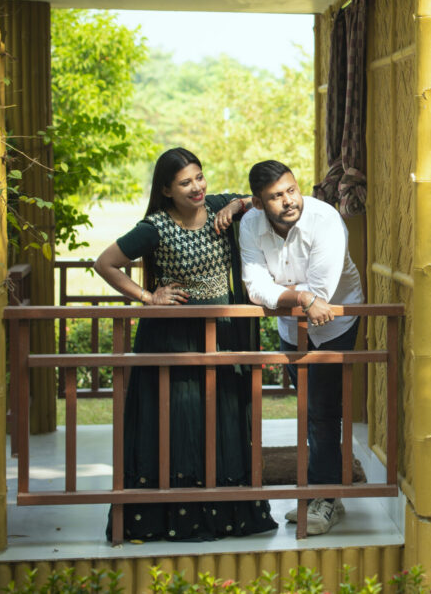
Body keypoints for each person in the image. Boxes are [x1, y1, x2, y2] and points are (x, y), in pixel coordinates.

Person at [93, 147, 277, 542]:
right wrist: (147, 297)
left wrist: (242, 202)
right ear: (165, 190)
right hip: (171, 335)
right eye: (184, 182)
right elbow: (105, 263)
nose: (196, 187)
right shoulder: (155, 227)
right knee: (175, 421)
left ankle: (229, 516)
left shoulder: (218, 207)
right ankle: (165, 519)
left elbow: (263, 198)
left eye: (199, 176)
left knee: (224, 417)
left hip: (223, 333)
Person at [239, 160, 364, 535]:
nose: (289, 201)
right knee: (309, 408)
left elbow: (322, 294)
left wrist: (297, 296)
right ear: (259, 204)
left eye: (291, 190)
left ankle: (321, 498)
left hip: (335, 323)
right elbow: (255, 285)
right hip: (292, 326)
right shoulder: (250, 224)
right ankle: (325, 492)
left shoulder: (325, 220)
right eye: (276, 196)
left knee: (323, 410)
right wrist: (298, 296)